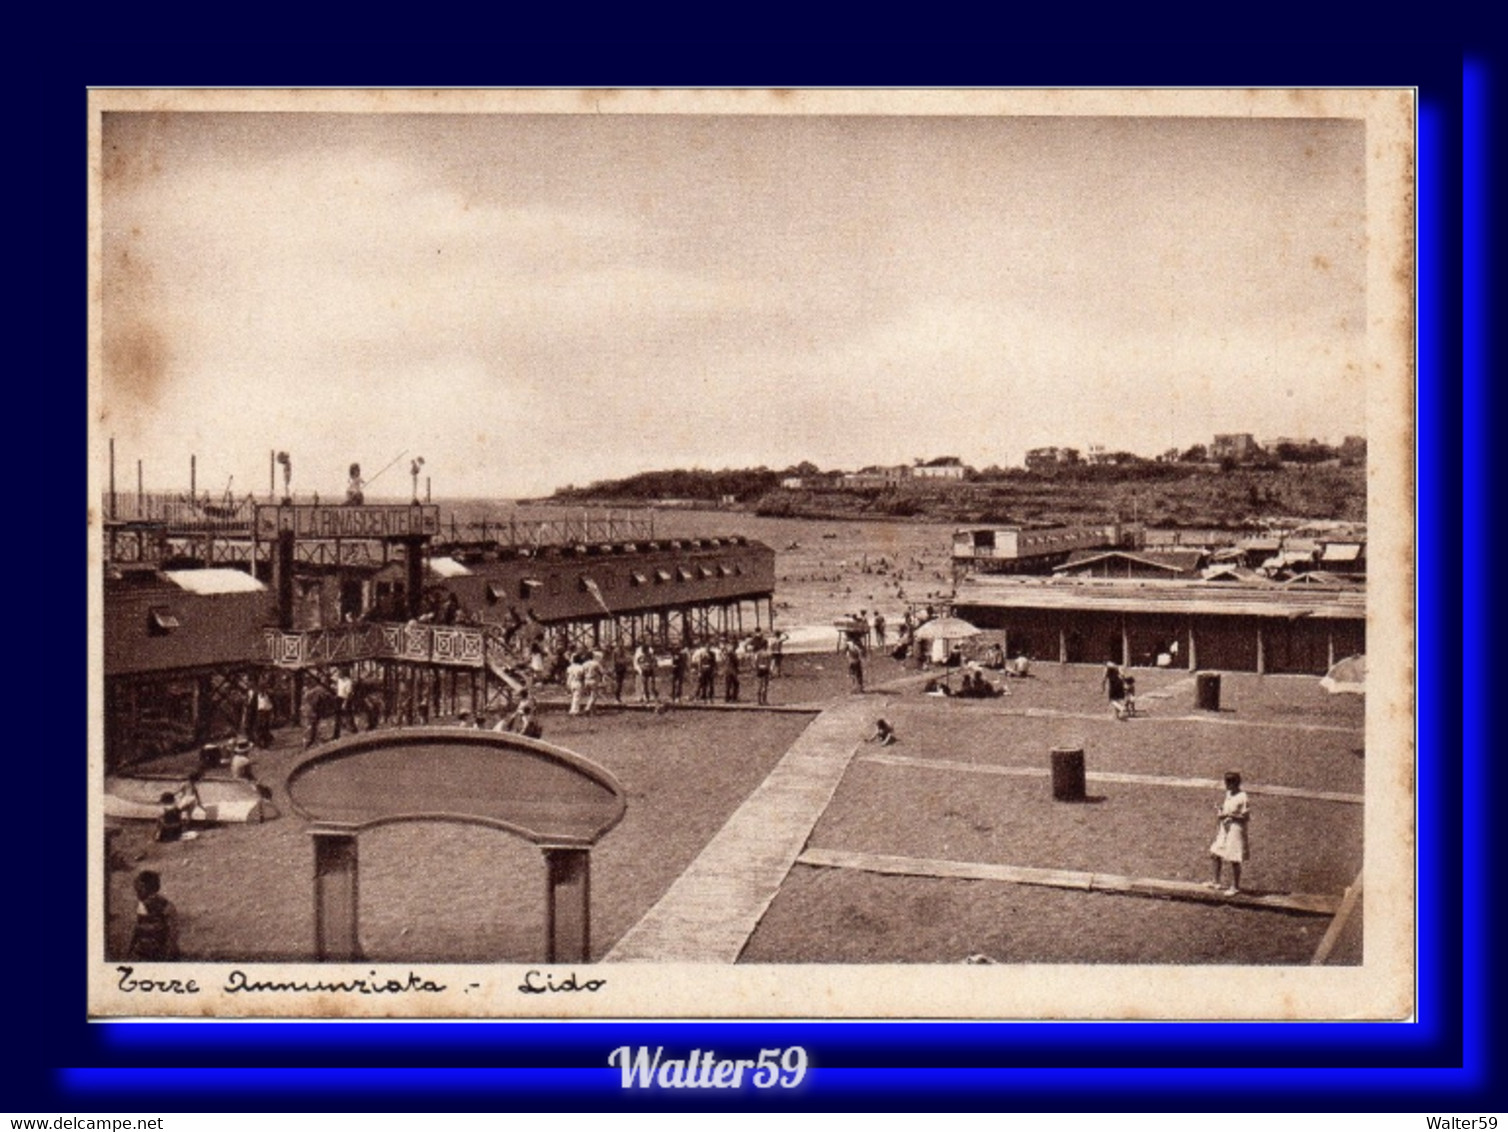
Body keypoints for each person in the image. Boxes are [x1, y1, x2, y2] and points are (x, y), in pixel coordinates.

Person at [1206, 771, 1250, 895]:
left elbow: (1245, 818)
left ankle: (1235, 887)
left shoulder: (1243, 797)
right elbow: (1228, 809)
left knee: (1234, 858)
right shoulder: (1229, 793)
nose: (1226, 785)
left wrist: (1229, 815)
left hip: (1236, 830)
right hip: (1225, 828)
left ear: (1235, 783)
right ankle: (1216, 882)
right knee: (1215, 853)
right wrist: (1221, 810)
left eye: (1228, 783)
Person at [126, 871, 180, 961]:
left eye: (139, 890)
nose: (136, 894)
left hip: (157, 949)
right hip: (154, 948)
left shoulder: (150, 905)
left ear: (147, 889)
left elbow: (138, 929)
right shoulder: (167, 904)